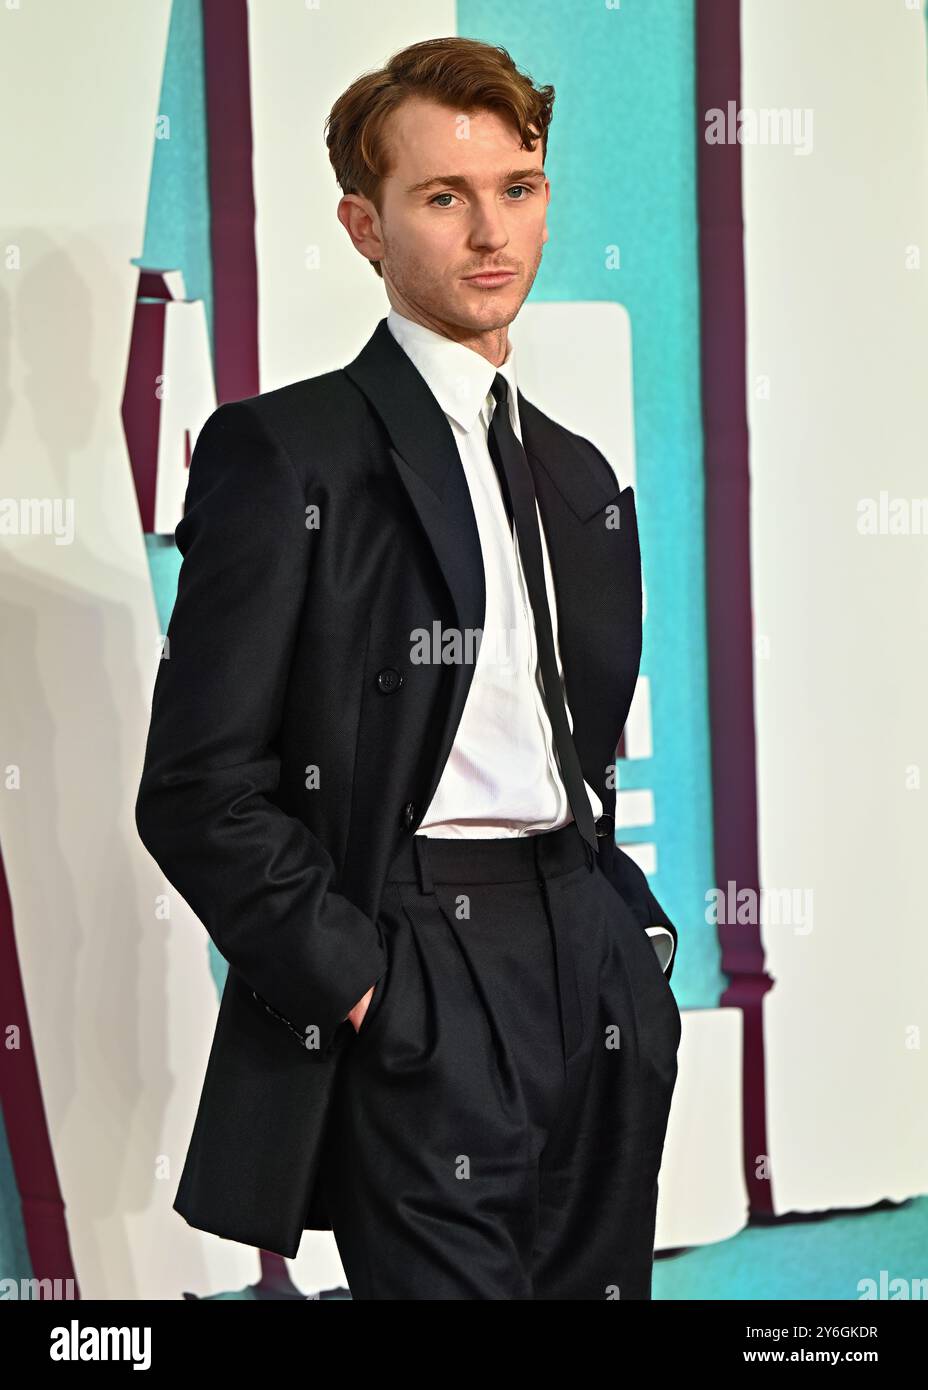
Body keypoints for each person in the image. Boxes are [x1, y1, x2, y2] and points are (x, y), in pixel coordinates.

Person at [135, 35, 681, 1301]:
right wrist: (368, 984)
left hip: (585, 956)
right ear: (364, 226)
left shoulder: (579, 470)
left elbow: (570, 745)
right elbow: (198, 788)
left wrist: (626, 934)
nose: (491, 231)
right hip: (421, 959)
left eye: (518, 187)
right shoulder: (286, 453)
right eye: (442, 197)